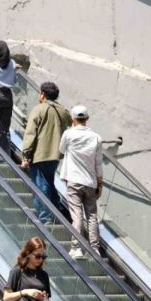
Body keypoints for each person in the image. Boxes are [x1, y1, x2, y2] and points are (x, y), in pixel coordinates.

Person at [21, 82, 72, 223]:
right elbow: (71, 121)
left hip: (40, 154)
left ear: (43, 94)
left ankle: (45, 217)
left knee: (40, 185)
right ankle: (57, 208)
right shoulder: (62, 111)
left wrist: (25, 154)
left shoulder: (39, 109)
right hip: (55, 155)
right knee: (48, 181)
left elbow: (31, 133)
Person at [59, 104, 103, 259]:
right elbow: (98, 162)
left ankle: (77, 247)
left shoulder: (68, 134)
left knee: (76, 215)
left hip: (73, 180)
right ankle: (94, 249)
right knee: (92, 216)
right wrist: (100, 182)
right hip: (90, 181)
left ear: (73, 118)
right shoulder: (96, 137)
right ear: (87, 119)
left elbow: (62, 150)